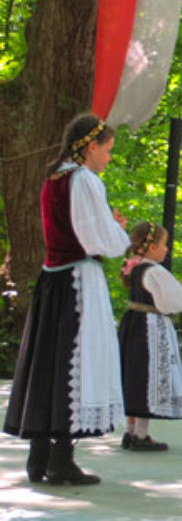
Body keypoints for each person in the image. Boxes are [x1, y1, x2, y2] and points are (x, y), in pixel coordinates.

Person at [3, 113, 130, 485]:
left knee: (49, 363)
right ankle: (60, 459)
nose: (107, 158)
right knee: (74, 362)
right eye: (106, 151)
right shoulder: (84, 180)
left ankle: (39, 455)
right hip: (76, 281)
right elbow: (96, 240)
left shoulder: (53, 177)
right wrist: (118, 232)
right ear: (90, 146)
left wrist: (107, 225)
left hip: (51, 279)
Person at [118, 222, 182, 451]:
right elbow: (171, 303)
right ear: (151, 247)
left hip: (132, 324)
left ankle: (130, 433)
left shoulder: (134, 268)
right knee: (146, 377)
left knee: (133, 375)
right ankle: (140, 435)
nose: (166, 249)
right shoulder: (154, 271)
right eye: (163, 244)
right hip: (150, 327)